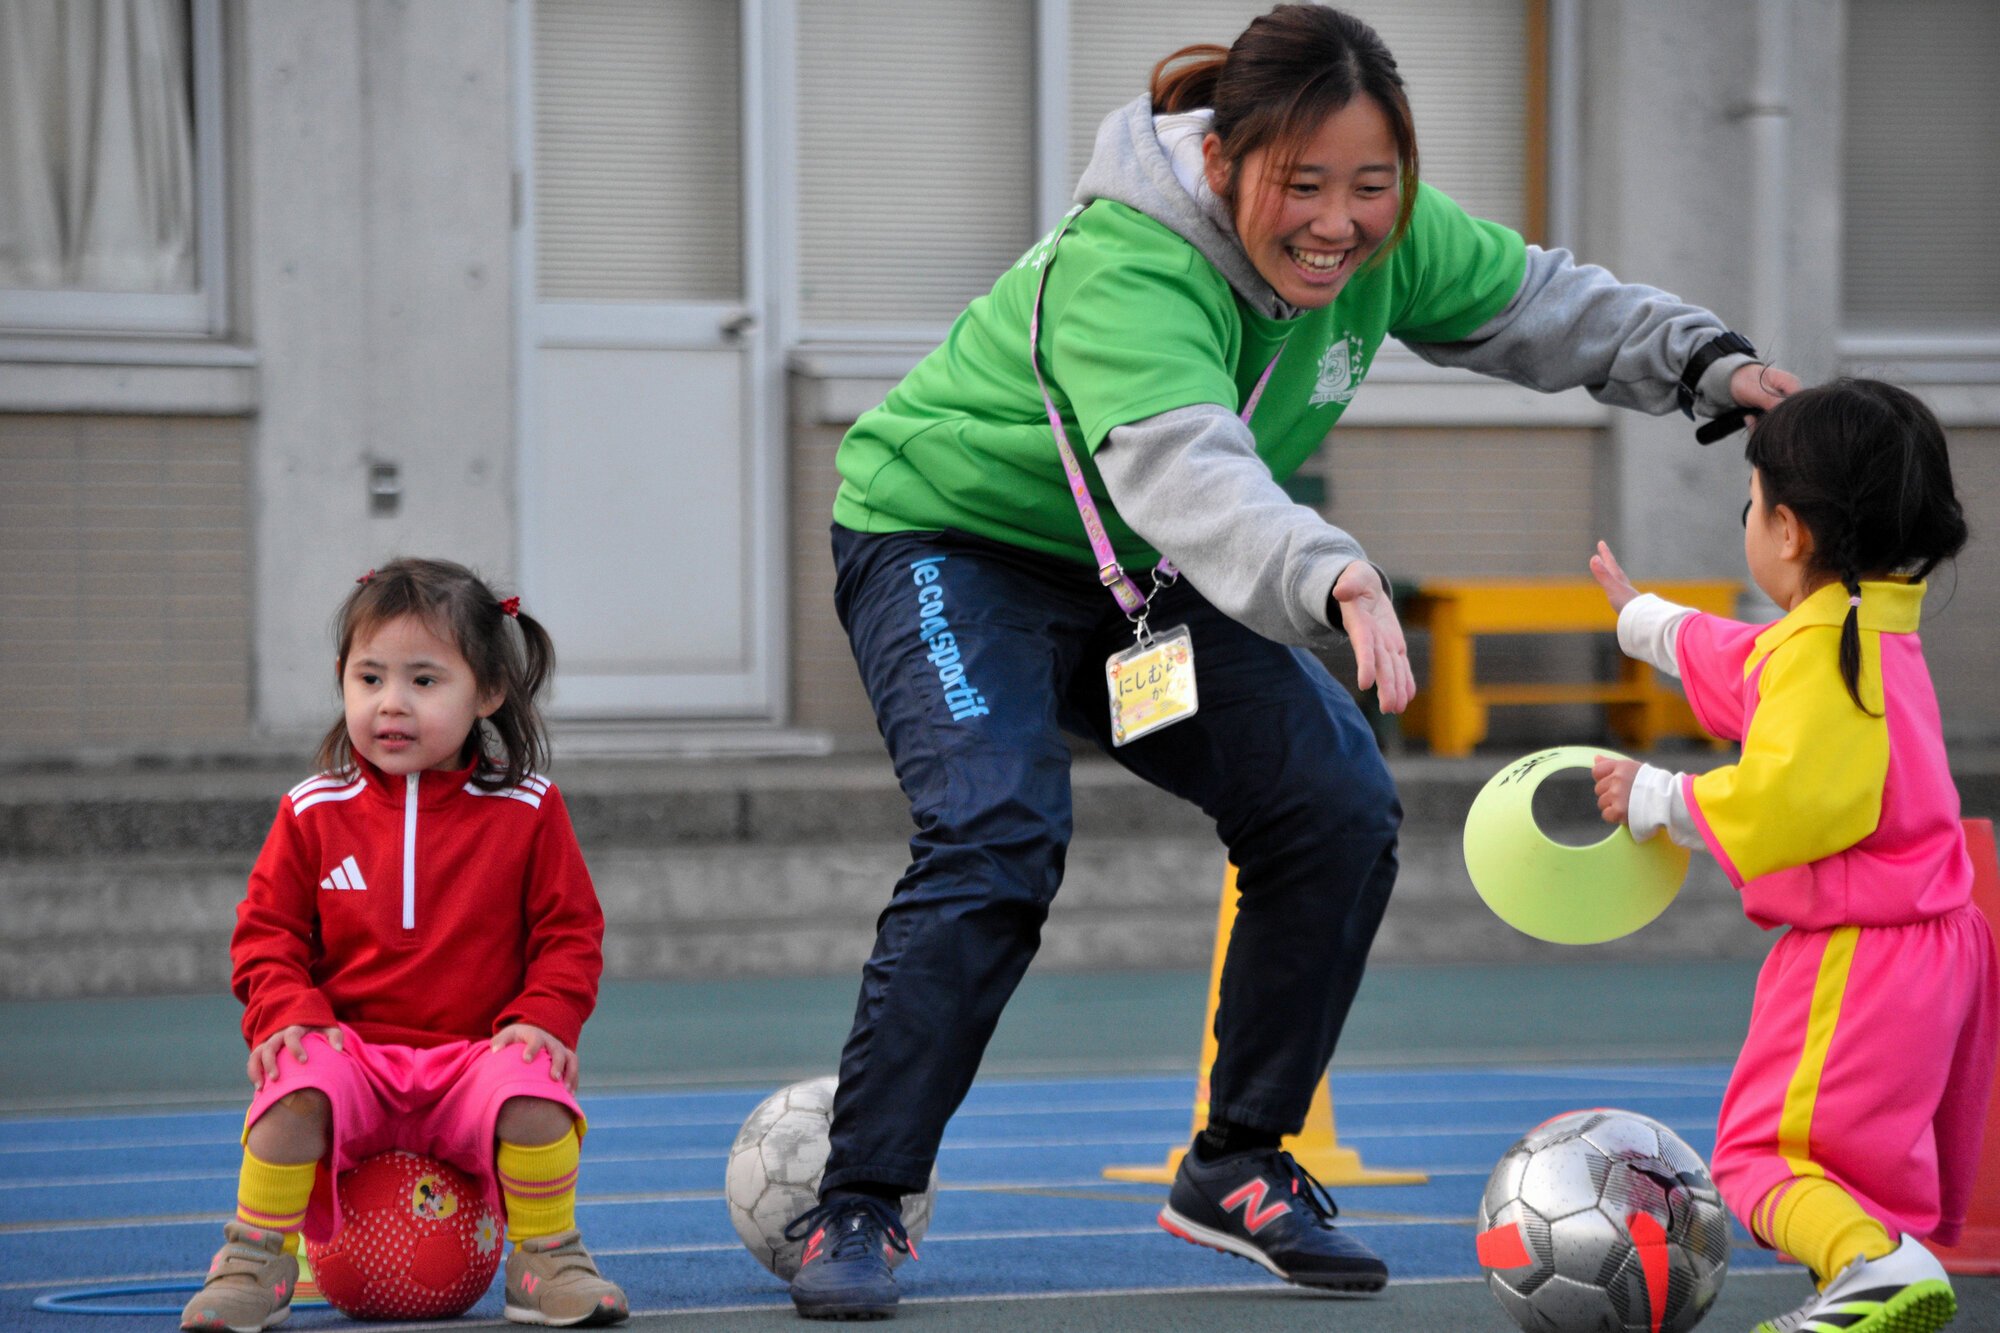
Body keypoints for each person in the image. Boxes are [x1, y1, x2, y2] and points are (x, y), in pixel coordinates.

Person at [789, 5, 1800, 1319]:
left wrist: (1709, 365)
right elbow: (1186, 463)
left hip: (1143, 571)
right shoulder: (1127, 261)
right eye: (1302, 186)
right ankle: (862, 1195)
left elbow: (1544, 302)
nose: (1338, 223)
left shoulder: (1392, 238)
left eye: (1371, 186)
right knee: (996, 829)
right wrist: (1327, 569)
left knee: (1334, 800)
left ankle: (1237, 1162)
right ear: (1222, 164)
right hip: (949, 541)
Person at [1589, 380, 1996, 1333]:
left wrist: (1659, 797)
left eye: (1751, 501)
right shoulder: (1868, 630)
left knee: (1761, 1155)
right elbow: (1751, 665)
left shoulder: (1823, 657)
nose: (1749, 519)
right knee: (1856, 1158)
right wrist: (1644, 619)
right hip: (1931, 946)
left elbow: (1791, 801)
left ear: (1789, 530)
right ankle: (1869, 1277)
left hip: (1863, 953)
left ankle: (1874, 1267)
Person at [180, 559, 628, 1332]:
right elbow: (266, 935)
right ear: (342, 679)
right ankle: (256, 1258)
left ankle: (545, 1257)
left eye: (424, 680)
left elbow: (570, 932)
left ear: (487, 690)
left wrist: (543, 1018)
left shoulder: (529, 808)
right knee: (289, 1087)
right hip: (351, 1056)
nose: (391, 702)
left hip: (473, 1059)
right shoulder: (312, 810)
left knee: (537, 1093)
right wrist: (289, 1012)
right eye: (370, 678)